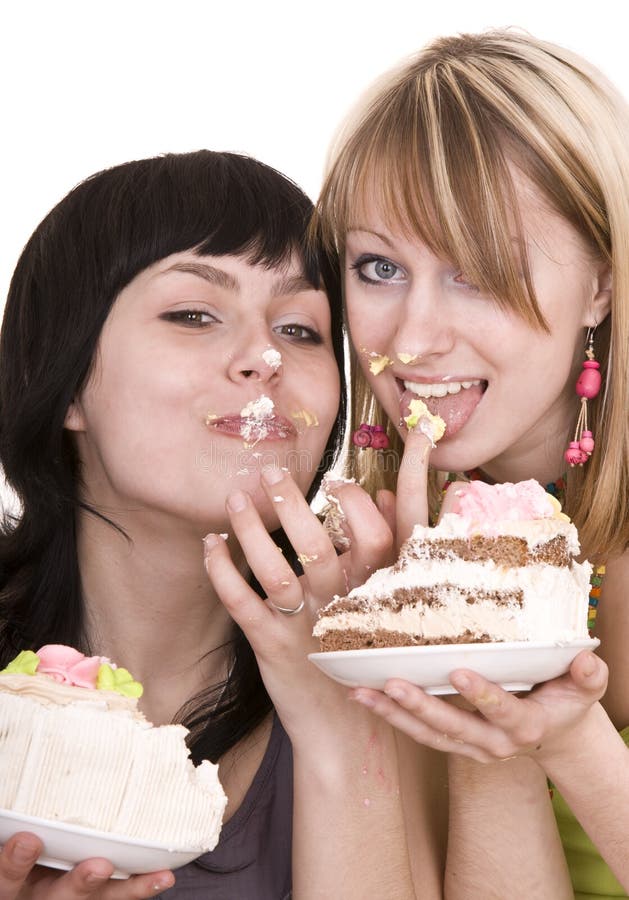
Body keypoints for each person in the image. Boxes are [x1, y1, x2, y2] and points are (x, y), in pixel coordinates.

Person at [0, 150, 425, 899]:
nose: (263, 357)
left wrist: (333, 718)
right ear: (58, 382)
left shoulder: (387, 682)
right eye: (193, 314)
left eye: (299, 329)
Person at [313, 30, 629, 900]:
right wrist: (466, 663)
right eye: (378, 266)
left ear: (601, 282)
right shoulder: (378, 557)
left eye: (477, 271)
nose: (409, 341)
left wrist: (569, 739)